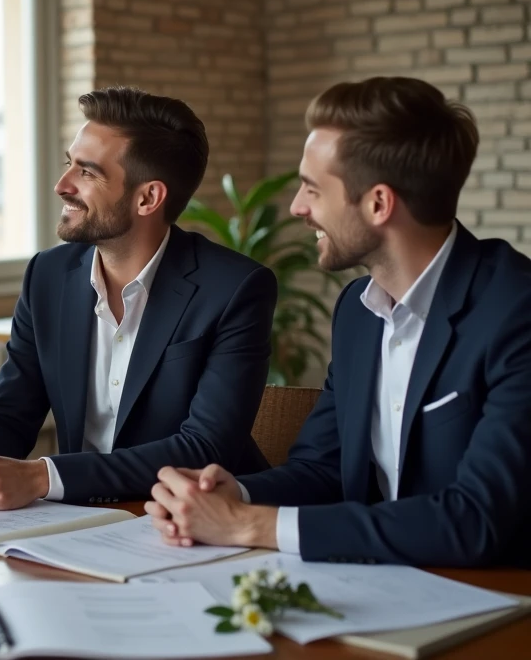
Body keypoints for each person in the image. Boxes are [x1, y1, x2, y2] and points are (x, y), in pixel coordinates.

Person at [146, 77, 531, 567]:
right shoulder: (357, 309)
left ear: (378, 203)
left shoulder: (516, 312)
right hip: (380, 587)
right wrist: (235, 494)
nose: (297, 208)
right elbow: (323, 469)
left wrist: (247, 525)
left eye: (312, 188)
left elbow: (477, 519)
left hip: (499, 601)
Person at [0, 86, 278, 510]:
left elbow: (203, 448)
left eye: (87, 173)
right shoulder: (47, 276)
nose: (62, 185)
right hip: (80, 522)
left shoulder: (235, 287)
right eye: (70, 164)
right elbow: (8, 413)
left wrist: (43, 476)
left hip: (193, 521)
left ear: (148, 198)